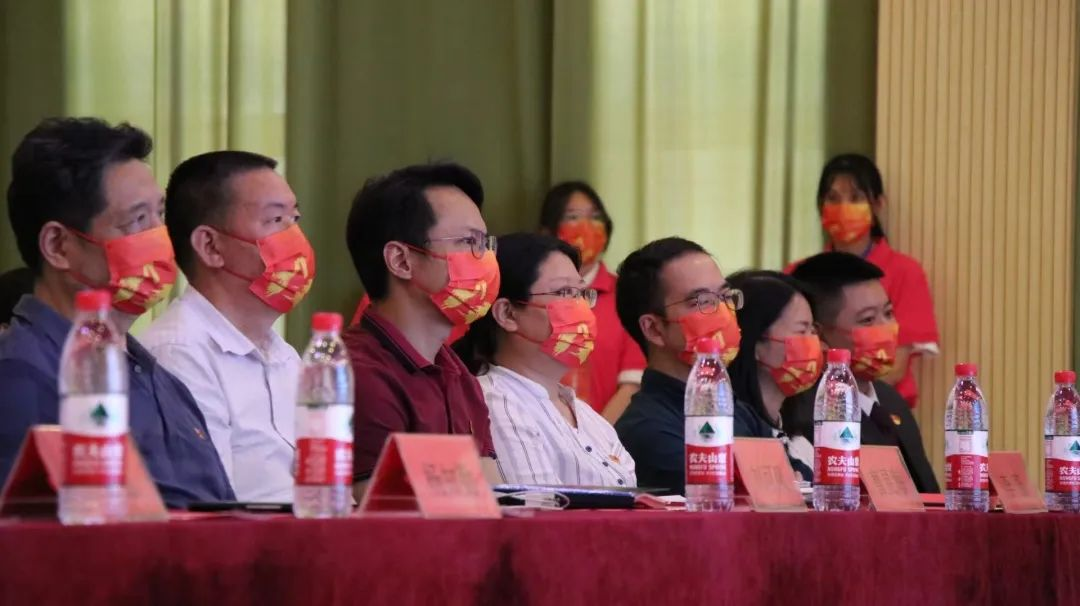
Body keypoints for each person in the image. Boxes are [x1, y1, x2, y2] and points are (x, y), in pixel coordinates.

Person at [0, 117, 234, 506]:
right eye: (137, 220)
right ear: (58, 246)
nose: (160, 238)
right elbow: (31, 536)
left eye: (160, 215)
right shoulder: (21, 377)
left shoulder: (162, 380)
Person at [141, 151, 314, 503]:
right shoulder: (179, 353)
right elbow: (211, 509)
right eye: (275, 220)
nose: (295, 237)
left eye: (294, 218)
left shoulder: (284, 355)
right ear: (211, 246)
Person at [344, 162, 501, 499]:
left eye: (485, 244)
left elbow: (492, 496)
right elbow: (385, 512)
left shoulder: (459, 375)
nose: (484, 258)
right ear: (401, 260)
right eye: (468, 242)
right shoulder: (356, 373)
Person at [453, 232, 636, 487]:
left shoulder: (586, 416)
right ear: (507, 314)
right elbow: (542, 508)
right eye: (564, 292)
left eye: (581, 293)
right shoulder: (497, 404)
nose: (581, 308)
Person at [787, 154, 939, 408]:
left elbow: (895, 366)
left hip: (882, 411)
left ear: (877, 204)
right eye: (833, 198)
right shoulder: (798, 273)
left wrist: (843, 401)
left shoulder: (905, 271)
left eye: (855, 198)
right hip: (811, 408)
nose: (843, 207)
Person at [787, 251, 939, 493]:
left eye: (888, 314)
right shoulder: (805, 413)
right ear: (819, 334)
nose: (886, 329)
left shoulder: (891, 401)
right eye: (867, 320)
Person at [613, 237, 742, 495]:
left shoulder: (740, 410)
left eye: (726, 296)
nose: (723, 311)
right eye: (702, 301)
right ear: (654, 328)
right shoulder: (648, 432)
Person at [538, 182, 646, 423]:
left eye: (595, 217)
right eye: (573, 217)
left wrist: (593, 436)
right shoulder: (532, 296)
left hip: (607, 433)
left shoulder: (625, 294)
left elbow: (631, 385)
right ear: (547, 231)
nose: (586, 226)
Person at [725, 270, 818, 482]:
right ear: (754, 343)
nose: (814, 343)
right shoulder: (733, 434)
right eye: (801, 331)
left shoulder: (801, 440)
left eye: (813, 331)